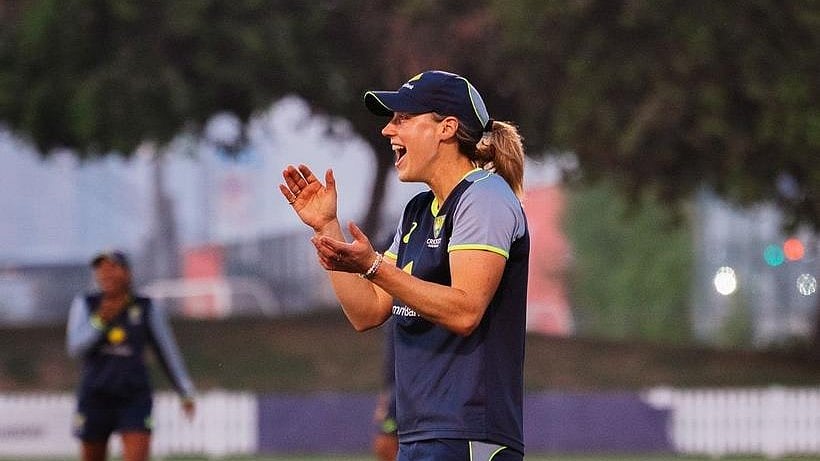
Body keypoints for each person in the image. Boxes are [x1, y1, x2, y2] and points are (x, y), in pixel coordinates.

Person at [280, 70, 529, 461]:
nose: (387, 131)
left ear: (446, 128)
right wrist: (327, 226)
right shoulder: (416, 211)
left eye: (402, 119)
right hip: (419, 435)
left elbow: (466, 311)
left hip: (468, 435)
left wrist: (375, 266)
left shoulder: (484, 198)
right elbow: (367, 312)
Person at [66, 250, 196, 461]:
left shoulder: (145, 307)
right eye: (101, 269)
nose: (106, 274)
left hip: (133, 397)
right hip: (95, 396)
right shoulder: (86, 304)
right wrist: (100, 322)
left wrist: (185, 391)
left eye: (113, 268)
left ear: (127, 273)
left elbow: (167, 350)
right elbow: (75, 348)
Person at [372, 318, 398, 461]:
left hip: (415, 392)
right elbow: (389, 364)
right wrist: (384, 398)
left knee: (386, 442)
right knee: (384, 444)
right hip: (395, 395)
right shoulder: (393, 319)